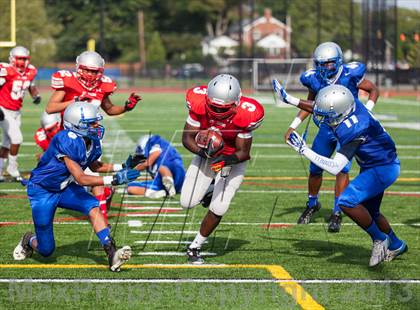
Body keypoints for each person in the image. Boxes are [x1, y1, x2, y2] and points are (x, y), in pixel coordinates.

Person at [286, 84, 407, 267]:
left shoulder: (355, 128)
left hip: (382, 168)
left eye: (329, 117)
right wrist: (289, 99)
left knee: (346, 201)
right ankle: (397, 245)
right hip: (375, 164)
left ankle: (379, 239)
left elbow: (336, 167)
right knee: (371, 211)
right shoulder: (352, 105)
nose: (326, 119)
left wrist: (304, 150)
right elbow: (322, 108)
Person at [13, 102, 139, 271]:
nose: (96, 125)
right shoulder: (66, 140)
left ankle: (111, 252)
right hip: (43, 191)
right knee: (46, 250)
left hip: (64, 187)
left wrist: (122, 166)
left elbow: (94, 166)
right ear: (76, 125)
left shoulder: (91, 141)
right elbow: (81, 178)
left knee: (92, 206)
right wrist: (114, 180)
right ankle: (28, 239)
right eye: (91, 123)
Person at [277, 41, 379, 233]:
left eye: (330, 63)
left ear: (338, 61)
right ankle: (312, 203)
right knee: (315, 168)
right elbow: (310, 105)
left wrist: (368, 112)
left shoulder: (350, 74)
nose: (325, 67)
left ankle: (337, 211)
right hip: (326, 128)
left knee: (342, 169)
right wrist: (293, 126)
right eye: (321, 63)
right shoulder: (313, 79)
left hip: (348, 129)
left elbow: (373, 89)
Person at [45, 50, 141, 224]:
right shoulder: (69, 82)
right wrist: (74, 100)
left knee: (92, 177)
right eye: (87, 70)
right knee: (68, 180)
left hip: (91, 137)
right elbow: (50, 107)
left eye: (95, 71)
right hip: (69, 137)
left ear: (101, 72)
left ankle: (102, 219)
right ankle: (105, 196)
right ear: (79, 68)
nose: (91, 74)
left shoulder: (103, 86)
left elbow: (110, 110)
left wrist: (126, 107)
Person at [180, 74, 264, 264]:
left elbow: (243, 153)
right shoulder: (198, 103)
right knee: (187, 202)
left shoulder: (246, 114)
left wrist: (223, 160)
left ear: (236, 103)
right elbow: (186, 139)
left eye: (222, 108)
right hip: (206, 155)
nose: (217, 111)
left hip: (232, 159)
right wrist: (207, 155)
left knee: (219, 207)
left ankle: (195, 246)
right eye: (214, 106)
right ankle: (210, 190)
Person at [0, 46, 41, 181]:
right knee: (17, 139)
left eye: (24, 59)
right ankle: (12, 168)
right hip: (4, 109)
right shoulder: (6, 70)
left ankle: (0, 170)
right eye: (19, 59)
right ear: (12, 59)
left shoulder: (31, 71)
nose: (22, 62)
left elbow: (31, 85)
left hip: (17, 111)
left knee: (7, 142)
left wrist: (35, 96)